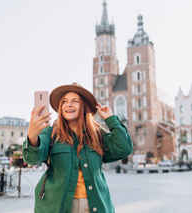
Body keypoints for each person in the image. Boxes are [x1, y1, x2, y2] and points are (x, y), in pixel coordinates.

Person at [23, 83, 133, 213]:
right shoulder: (50, 133)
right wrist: (32, 135)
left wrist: (111, 119)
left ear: (84, 106)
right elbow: (32, 158)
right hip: (57, 206)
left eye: (75, 101)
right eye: (64, 101)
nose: (69, 105)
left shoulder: (97, 134)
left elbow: (124, 148)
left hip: (95, 205)